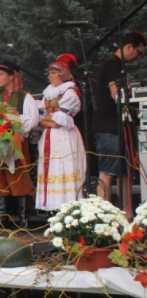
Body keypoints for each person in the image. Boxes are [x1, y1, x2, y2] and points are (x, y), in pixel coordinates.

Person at [93, 30, 146, 213]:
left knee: (125, 173)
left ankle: (126, 215)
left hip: (119, 126)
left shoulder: (118, 66)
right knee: (108, 172)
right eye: (138, 53)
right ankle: (105, 216)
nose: (139, 58)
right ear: (129, 46)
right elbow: (117, 95)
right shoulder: (113, 65)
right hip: (109, 127)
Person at [0, 62, 38, 228]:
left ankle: (23, 218)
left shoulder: (25, 96)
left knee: (19, 177)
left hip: (17, 142)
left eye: (1, 74)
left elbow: (33, 119)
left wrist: (13, 125)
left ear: (11, 76)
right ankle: (2, 218)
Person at [36, 60, 86, 211]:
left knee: (64, 168)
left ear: (62, 74)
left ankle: (67, 208)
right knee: (51, 170)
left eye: (54, 73)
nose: (50, 76)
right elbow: (40, 119)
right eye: (49, 73)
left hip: (64, 137)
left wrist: (46, 120)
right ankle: (52, 210)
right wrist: (47, 120)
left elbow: (60, 121)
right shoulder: (48, 94)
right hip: (49, 136)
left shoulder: (69, 93)